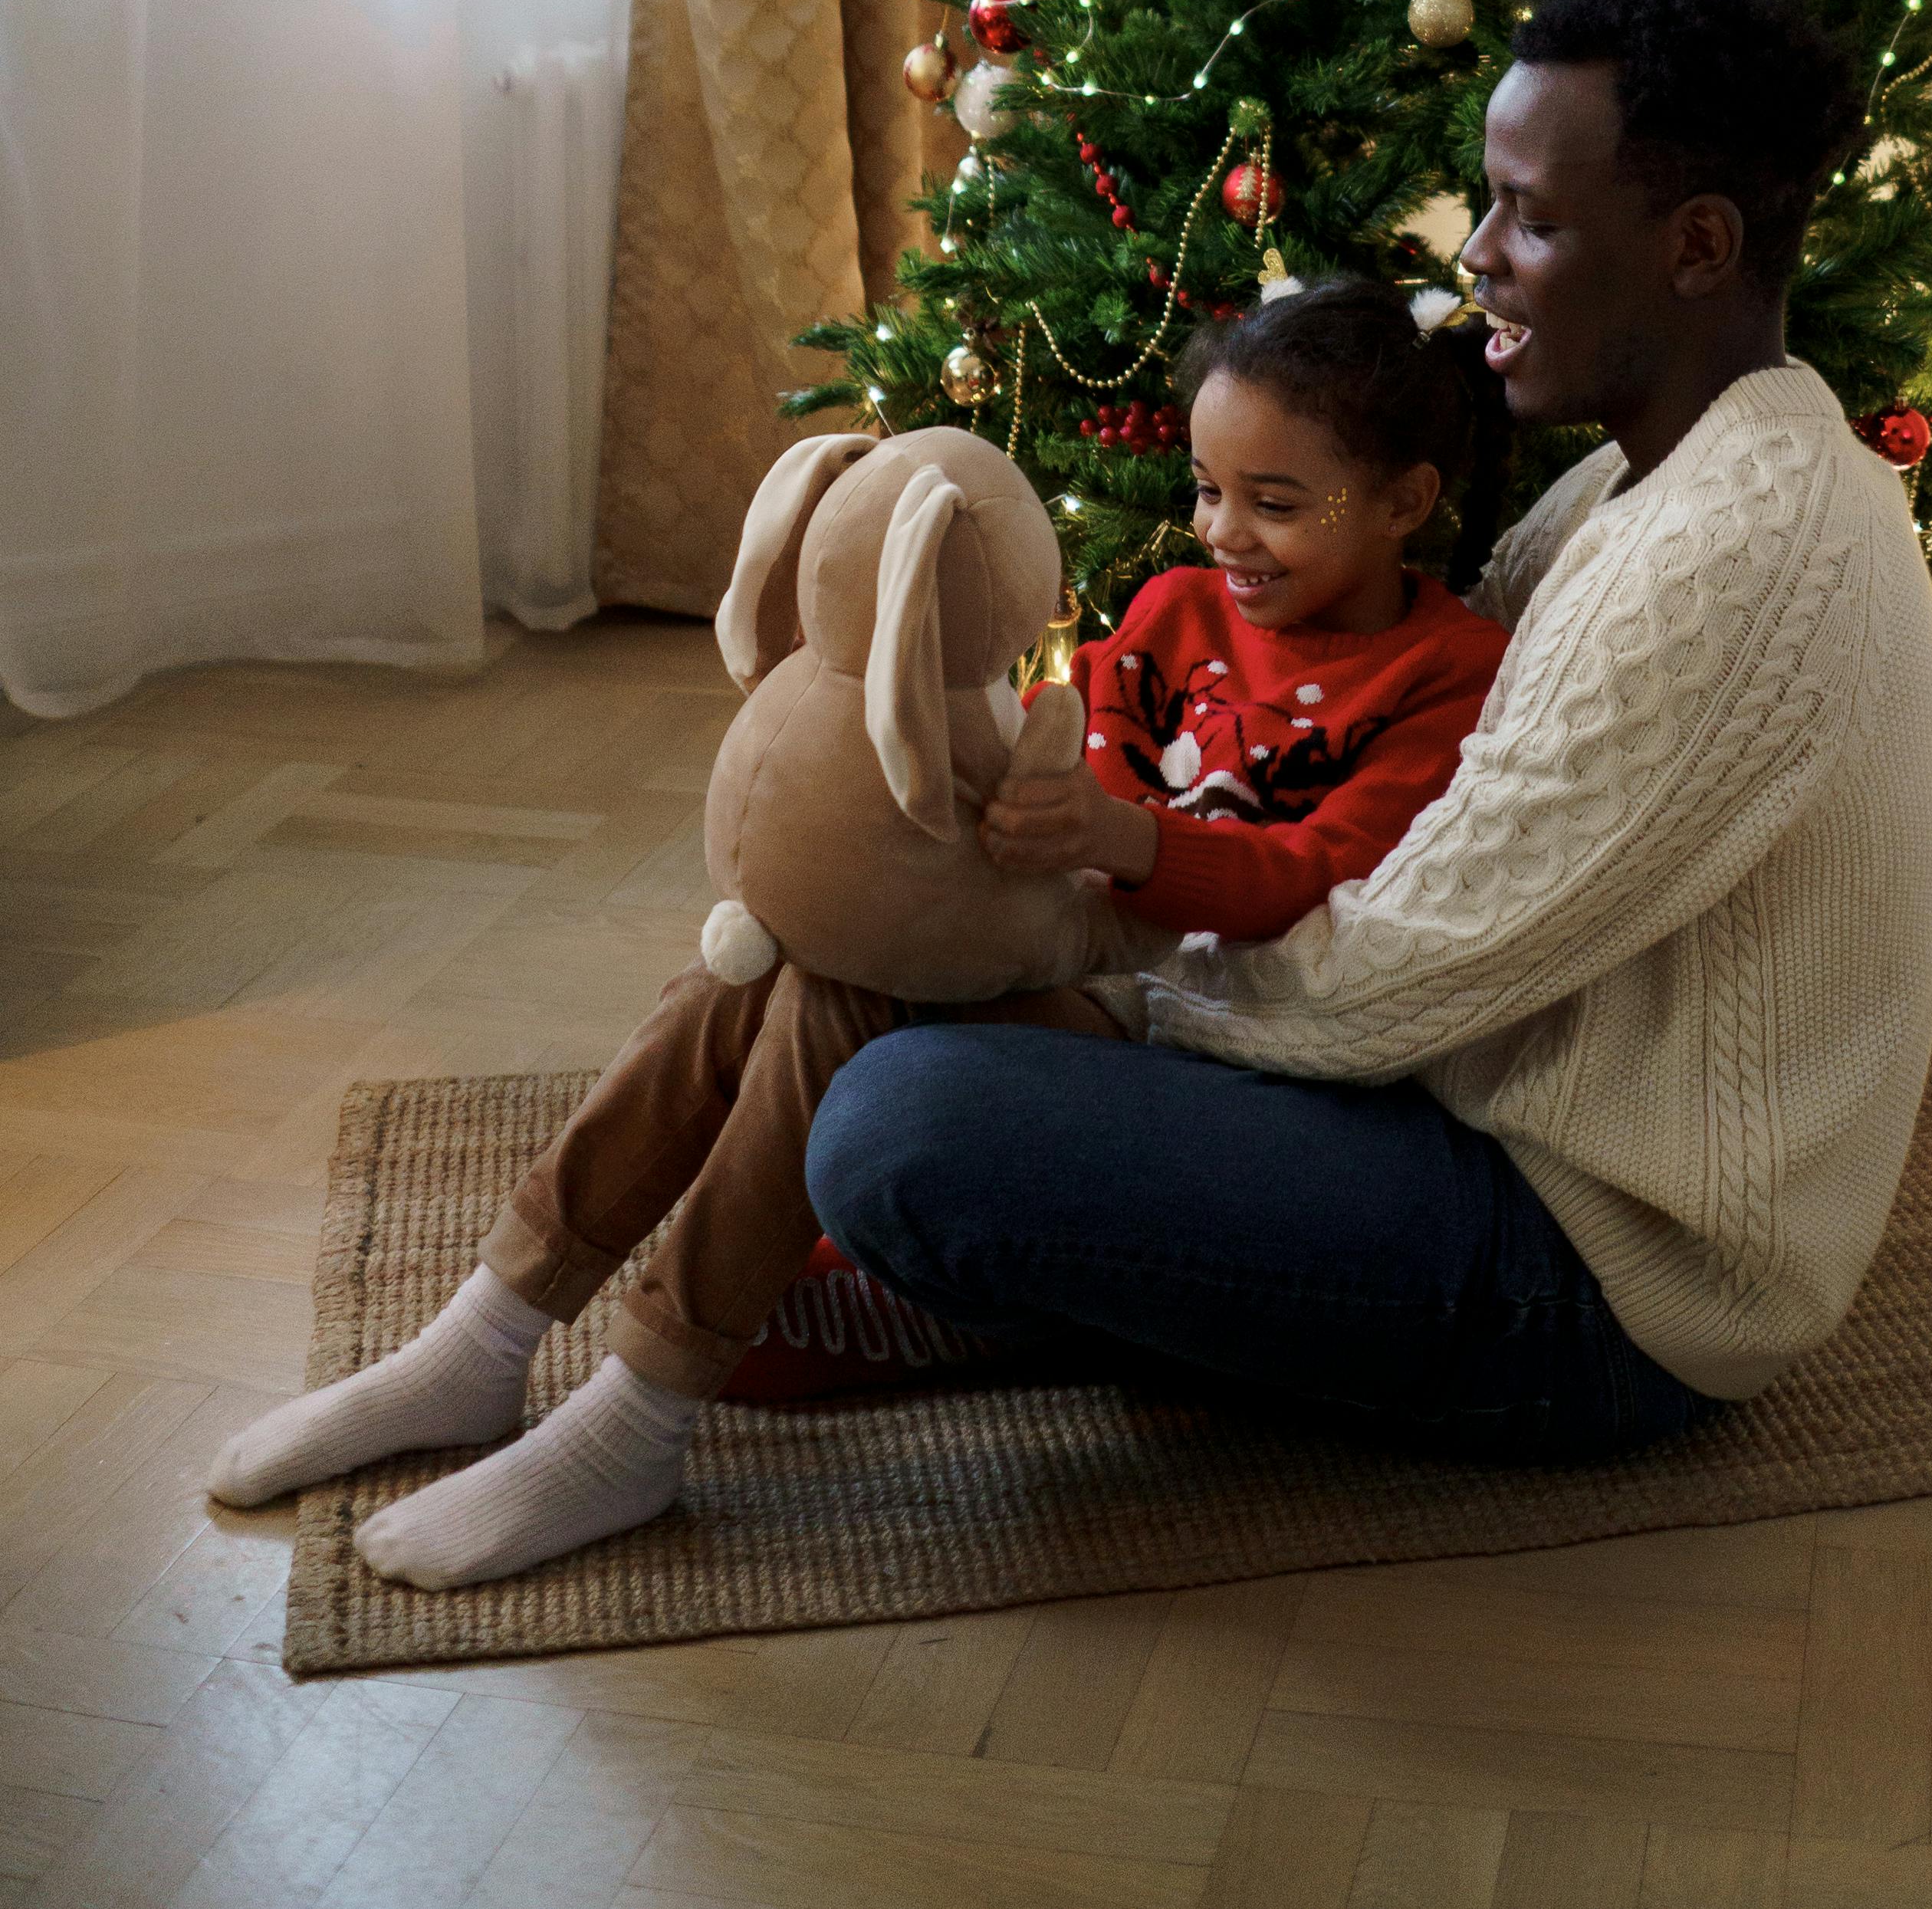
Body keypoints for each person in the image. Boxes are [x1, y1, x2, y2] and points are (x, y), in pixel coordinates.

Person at [805, 0, 1932, 1466]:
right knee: (922, 1022)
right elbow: (1420, 841)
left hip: (1607, 1280)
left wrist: (1106, 979)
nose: (1476, 251)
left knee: (905, 1123)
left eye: (1530, 216)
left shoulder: (1726, 550)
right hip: (1476, 1115)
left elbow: (1391, 977)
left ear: (1693, 244)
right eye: (1486, 200)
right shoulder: (1656, 471)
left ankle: (1023, 1285)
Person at [201, 280, 1502, 1580]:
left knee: (845, 991)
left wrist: (1119, 837)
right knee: (752, 958)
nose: (1227, 531)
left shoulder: (1447, 670)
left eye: (1276, 501)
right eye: (1211, 489)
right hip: (1062, 944)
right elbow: (1075, 736)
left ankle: (639, 1418)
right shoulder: (1174, 608)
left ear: (1405, 501)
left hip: (1187, 1035)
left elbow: (1323, 867)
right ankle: (484, 1333)